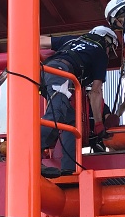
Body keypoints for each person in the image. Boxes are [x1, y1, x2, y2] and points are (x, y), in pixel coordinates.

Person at [39, 26, 118, 178]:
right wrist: (98, 124)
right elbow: (95, 91)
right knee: (56, 113)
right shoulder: (100, 52)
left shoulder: (73, 39)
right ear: (107, 41)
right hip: (61, 73)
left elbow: (40, 40)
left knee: (70, 122)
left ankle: (68, 169)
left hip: (44, 71)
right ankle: (31, 157)